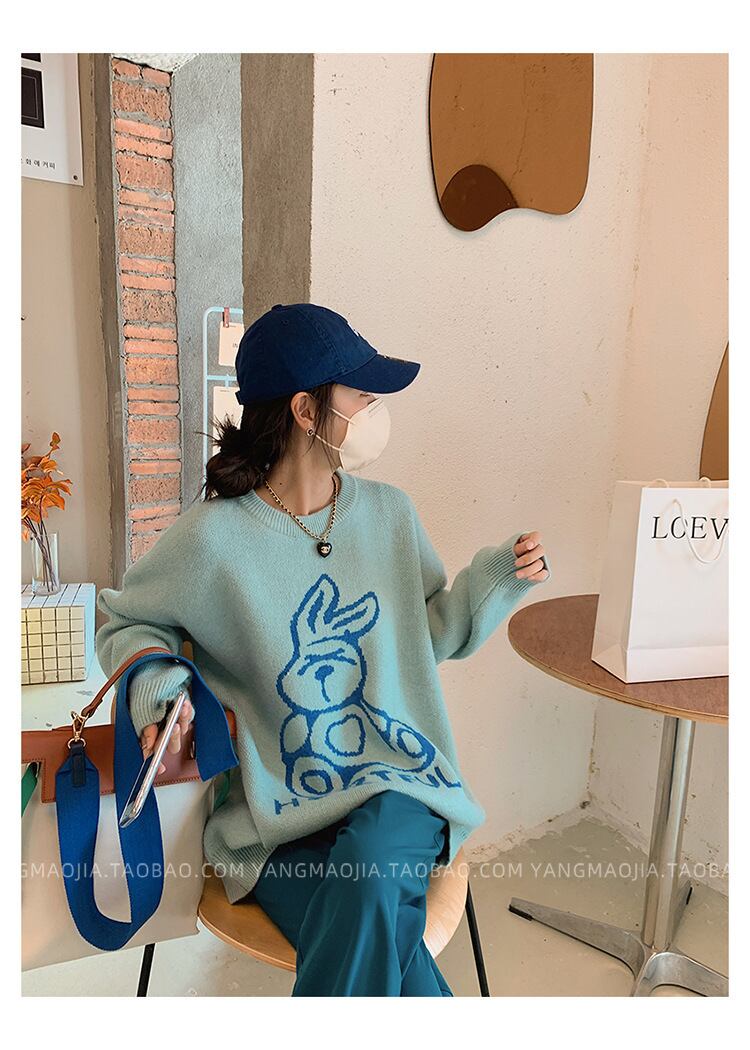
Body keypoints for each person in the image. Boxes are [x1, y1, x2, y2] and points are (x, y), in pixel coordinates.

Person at [95, 302, 551, 996]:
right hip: (278, 811)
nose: (375, 410)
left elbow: (422, 637)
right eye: (362, 395)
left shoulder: (390, 514)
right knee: (379, 939)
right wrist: (161, 691)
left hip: (398, 781)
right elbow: (125, 622)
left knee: (367, 873)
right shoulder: (212, 541)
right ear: (307, 411)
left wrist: (494, 582)